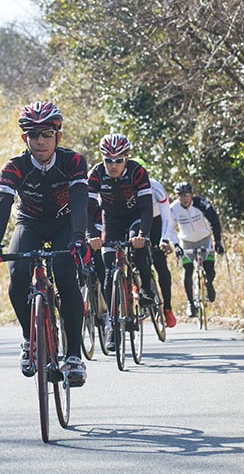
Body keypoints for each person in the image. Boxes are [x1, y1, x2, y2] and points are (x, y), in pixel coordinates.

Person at [0, 101, 90, 387]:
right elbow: (2, 204)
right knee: (17, 277)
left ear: (58, 136)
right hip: (29, 222)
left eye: (46, 134)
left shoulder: (73, 162)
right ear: (24, 138)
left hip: (64, 223)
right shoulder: (14, 167)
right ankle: (29, 339)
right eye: (33, 135)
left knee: (66, 276)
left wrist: (79, 237)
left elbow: (80, 202)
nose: (40, 141)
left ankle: (74, 356)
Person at [85, 134, 154, 351]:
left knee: (138, 247)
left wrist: (142, 234)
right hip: (111, 219)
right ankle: (112, 325)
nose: (113, 165)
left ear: (127, 158)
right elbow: (87, 208)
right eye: (108, 160)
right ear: (102, 158)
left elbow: (146, 208)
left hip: (134, 216)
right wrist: (90, 235)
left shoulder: (137, 171)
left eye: (118, 160)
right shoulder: (95, 174)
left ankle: (145, 290)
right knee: (107, 270)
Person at [130, 157, 178, 328]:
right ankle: (137, 283)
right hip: (137, 221)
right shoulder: (125, 186)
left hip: (157, 222)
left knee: (160, 264)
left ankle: (168, 308)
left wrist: (164, 240)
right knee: (131, 255)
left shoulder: (155, 187)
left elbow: (167, 217)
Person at [169, 182, 224, 317]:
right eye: (181, 196)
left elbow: (215, 221)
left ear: (192, 195)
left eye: (187, 195)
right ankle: (190, 303)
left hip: (204, 239)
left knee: (209, 269)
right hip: (186, 241)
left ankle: (208, 283)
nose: (184, 198)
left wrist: (217, 242)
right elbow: (170, 229)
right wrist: (176, 245)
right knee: (187, 270)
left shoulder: (201, 204)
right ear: (177, 197)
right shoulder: (173, 209)